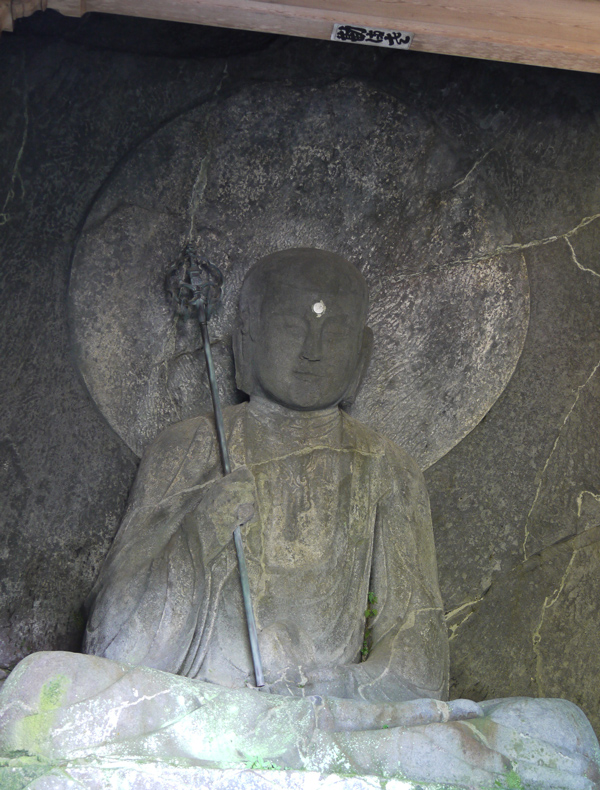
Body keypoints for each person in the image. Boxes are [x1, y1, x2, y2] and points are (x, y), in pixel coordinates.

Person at [0, 249, 598, 790]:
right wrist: (199, 531)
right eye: (291, 326)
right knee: (42, 685)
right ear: (243, 345)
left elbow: (419, 657)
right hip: (203, 707)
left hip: (327, 713)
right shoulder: (190, 447)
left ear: (362, 355)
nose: (313, 349)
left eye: (334, 330)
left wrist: (340, 687)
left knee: (556, 727)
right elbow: (114, 642)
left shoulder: (387, 467)